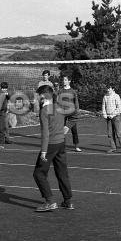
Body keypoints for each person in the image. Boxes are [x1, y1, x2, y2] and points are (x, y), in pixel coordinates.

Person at [33, 84, 74, 212]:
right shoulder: (59, 107)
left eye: (38, 96)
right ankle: (68, 201)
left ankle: (50, 202)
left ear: (43, 96)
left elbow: (45, 133)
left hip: (51, 145)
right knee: (62, 172)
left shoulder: (45, 111)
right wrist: (67, 127)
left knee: (38, 173)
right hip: (61, 143)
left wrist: (44, 151)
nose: (37, 98)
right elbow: (75, 114)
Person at [58, 75, 82, 152]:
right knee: (62, 130)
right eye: (63, 80)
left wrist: (77, 110)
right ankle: (61, 146)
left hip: (72, 113)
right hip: (63, 113)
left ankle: (76, 146)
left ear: (69, 81)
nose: (63, 81)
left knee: (74, 130)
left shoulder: (73, 91)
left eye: (65, 80)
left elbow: (76, 102)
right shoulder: (60, 91)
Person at [102, 86, 121, 154]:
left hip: (116, 117)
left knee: (119, 133)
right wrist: (104, 114)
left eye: (109, 88)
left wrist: (112, 114)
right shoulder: (105, 96)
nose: (107, 90)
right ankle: (113, 148)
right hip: (108, 117)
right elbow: (103, 106)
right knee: (110, 134)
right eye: (107, 88)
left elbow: (119, 107)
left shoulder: (116, 96)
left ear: (113, 89)